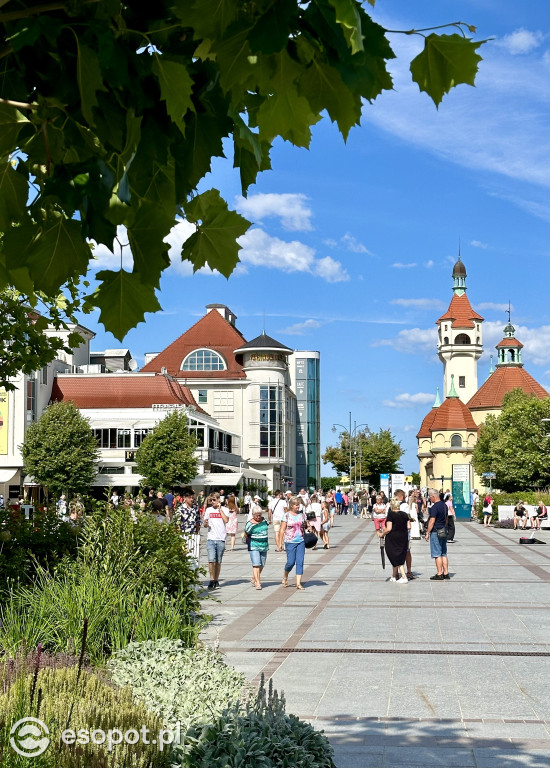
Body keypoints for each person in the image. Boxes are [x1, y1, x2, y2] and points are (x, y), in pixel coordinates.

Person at [280, 495, 311, 590]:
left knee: (300, 561)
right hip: (290, 541)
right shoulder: (286, 515)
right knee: (290, 562)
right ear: (291, 505)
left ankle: (298, 583)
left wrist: (309, 528)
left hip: (301, 541)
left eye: (299, 505)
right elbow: (282, 530)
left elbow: (307, 525)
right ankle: (285, 575)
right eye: (296, 505)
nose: (298, 507)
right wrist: (280, 543)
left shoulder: (302, 515)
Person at [379, 497, 410, 583]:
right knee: (399, 554)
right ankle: (394, 575)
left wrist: (382, 534)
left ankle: (403, 576)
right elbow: (409, 526)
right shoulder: (405, 514)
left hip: (392, 538)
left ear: (391, 506)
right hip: (403, 537)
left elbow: (389, 529)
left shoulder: (391, 515)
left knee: (393, 555)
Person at [203, 494, 229, 589]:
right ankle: (211, 579)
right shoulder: (208, 510)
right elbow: (205, 524)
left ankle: (216, 580)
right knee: (211, 560)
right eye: (211, 500)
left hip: (221, 539)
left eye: (214, 500)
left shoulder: (225, 509)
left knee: (218, 561)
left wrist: (220, 509)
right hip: (211, 538)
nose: (212, 502)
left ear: (219, 500)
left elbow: (226, 520)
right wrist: (205, 523)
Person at [425, 488, 450, 580]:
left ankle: (439, 573)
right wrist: (446, 528)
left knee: (437, 554)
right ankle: (446, 573)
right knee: (444, 553)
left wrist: (427, 532)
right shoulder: (444, 505)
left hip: (436, 531)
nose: (429, 499)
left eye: (429, 497)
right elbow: (446, 519)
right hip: (443, 531)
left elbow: (432, 521)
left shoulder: (434, 507)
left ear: (433, 496)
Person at [244, 504, 269, 589]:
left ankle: (254, 578)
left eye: (260, 515)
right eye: (257, 515)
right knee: (256, 564)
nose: (258, 517)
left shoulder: (264, 520)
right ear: (253, 515)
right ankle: (258, 583)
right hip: (254, 545)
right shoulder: (250, 524)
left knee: (262, 564)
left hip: (264, 546)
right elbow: (246, 534)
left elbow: (266, 526)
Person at [394, 489, 415, 579]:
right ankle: (406, 571)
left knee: (398, 552)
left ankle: (398, 572)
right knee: (405, 551)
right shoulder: (403, 505)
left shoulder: (394, 505)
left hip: (397, 531)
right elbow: (407, 518)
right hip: (403, 532)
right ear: (402, 496)